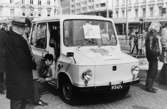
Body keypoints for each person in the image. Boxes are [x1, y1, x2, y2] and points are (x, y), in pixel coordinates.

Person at [0, 17, 35, 109]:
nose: (25, 30)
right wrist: (32, 64)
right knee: (18, 104)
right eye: (24, 27)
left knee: (18, 103)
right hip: (20, 81)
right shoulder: (18, 41)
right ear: (19, 28)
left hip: (15, 80)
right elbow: (24, 61)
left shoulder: (8, 38)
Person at [145, 25, 161, 93]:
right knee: (153, 72)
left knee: (151, 71)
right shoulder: (152, 38)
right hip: (153, 57)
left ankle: (149, 85)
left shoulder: (150, 38)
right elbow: (151, 49)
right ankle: (149, 87)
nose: (157, 33)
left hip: (152, 57)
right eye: (156, 32)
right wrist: (157, 54)